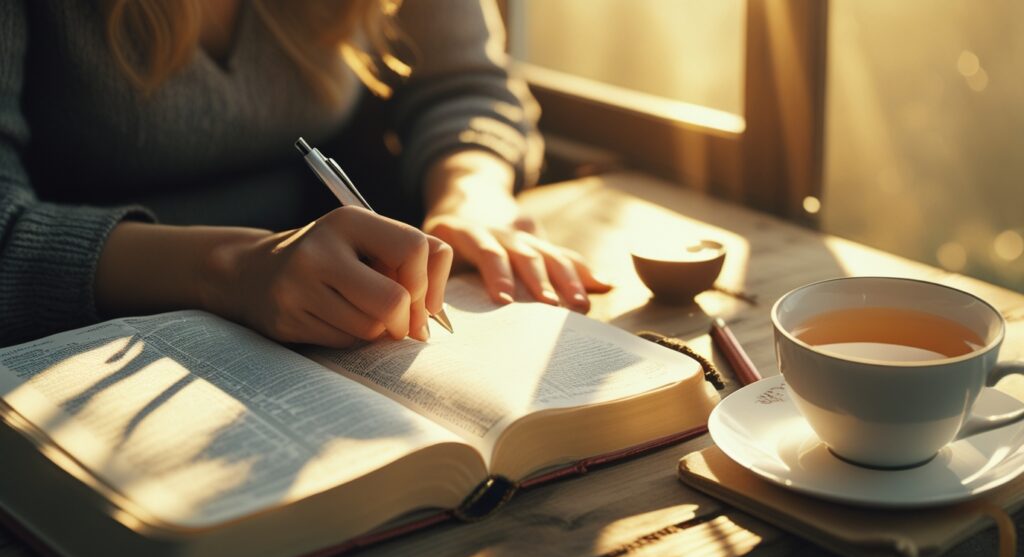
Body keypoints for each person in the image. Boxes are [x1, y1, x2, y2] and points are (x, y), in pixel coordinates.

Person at [0, 0, 611, 348]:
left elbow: (464, 82)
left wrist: (470, 191)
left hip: (314, 315)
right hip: (78, 345)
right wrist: (234, 269)